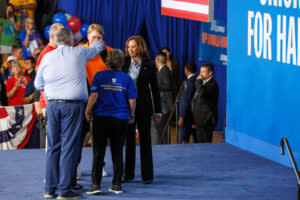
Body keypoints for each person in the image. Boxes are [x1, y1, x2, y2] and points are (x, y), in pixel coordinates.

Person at [34, 28, 104, 199]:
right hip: (72, 107)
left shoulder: (47, 57)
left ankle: (49, 189)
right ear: (71, 41)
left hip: (52, 106)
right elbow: (97, 48)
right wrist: (96, 39)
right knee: (68, 147)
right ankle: (64, 191)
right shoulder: (79, 52)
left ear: (56, 40)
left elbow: (37, 84)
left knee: (52, 148)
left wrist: (53, 89)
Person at [85, 49, 137, 195]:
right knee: (118, 150)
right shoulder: (127, 78)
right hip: (121, 119)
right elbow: (132, 101)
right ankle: (117, 184)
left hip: (101, 118)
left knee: (98, 152)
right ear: (121, 62)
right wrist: (131, 115)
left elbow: (94, 95)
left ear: (107, 61)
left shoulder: (99, 76)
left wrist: (87, 110)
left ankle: (95, 184)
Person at [71, 23, 111, 191]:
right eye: (93, 37)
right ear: (87, 37)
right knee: (79, 137)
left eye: (99, 38)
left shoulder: (109, 51)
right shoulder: (80, 51)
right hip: (82, 99)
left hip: (103, 100)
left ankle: (99, 166)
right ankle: (74, 169)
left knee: (100, 136)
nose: (96, 40)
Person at [121, 35, 162, 184]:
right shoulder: (123, 63)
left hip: (144, 107)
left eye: (133, 46)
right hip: (126, 108)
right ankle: (128, 174)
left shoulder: (150, 65)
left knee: (145, 141)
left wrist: (158, 110)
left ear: (140, 47)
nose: (130, 49)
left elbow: (156, 90)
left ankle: (147, 175)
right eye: (128, 47)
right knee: (129, 141)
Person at [34, 23, 63, 149]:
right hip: (50, 103)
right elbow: (41, 83)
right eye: (62, 33)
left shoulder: (57, 51)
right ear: (52, 35)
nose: (65, 36)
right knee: (50, 142)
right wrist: (48, 103)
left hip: (58, 101)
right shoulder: (46, 54)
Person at [192, 63, 219, 143]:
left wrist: (199, 81)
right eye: (200, 72)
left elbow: (202, 93)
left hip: (206, 120)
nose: (200, 74)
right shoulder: (203, 83)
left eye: (203, 72)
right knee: (198, 143)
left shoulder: (212, 84)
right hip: (199, 120)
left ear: (210, 73)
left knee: (204, 144)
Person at [151, 52, 174, 144]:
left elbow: (167, 85)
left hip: (164, 105)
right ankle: (164, 145)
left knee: (161, 128)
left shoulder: (164, 70)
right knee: (163, 128)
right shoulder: (164, 70)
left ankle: (163, 146)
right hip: (163, 104)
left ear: (157, 60)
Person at [178, 62, 197, 144]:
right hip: (194, 117)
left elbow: (186, 101)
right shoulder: (197, 80)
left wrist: (181, 116)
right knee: (196, 139)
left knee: (184, 140)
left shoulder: (189, 83)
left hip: (187, 117)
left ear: (186, 70)